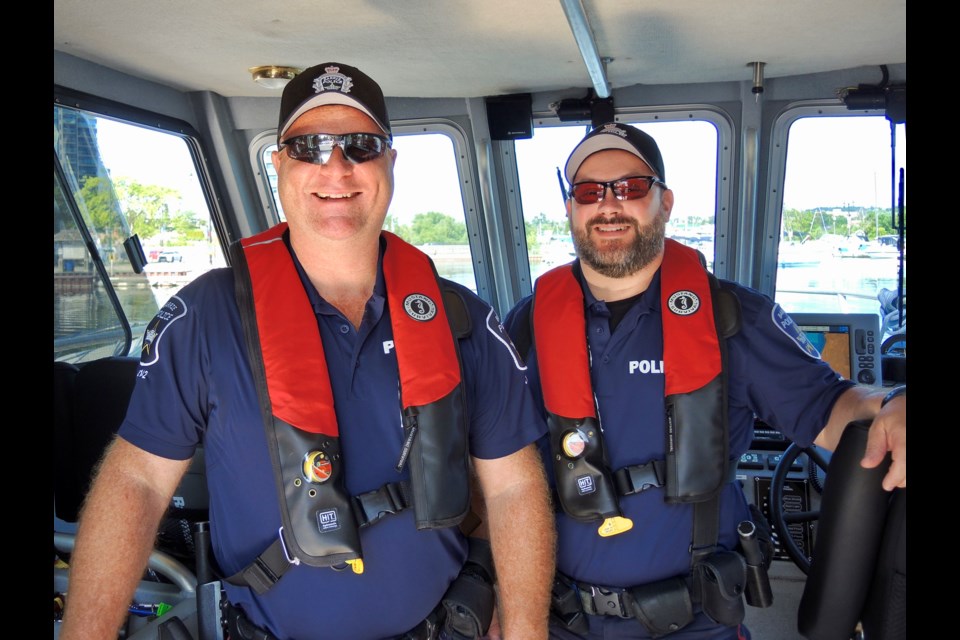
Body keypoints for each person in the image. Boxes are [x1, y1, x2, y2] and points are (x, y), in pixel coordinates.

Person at [60, 62, 555, 640]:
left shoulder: (462, 318)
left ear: (389, 163)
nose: (336, 167)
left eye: (360, 146)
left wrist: (525, 629)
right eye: (309, 147)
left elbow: (514, 487)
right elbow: (138, 481)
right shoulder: (204, 316)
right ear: (278, 165)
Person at [502, 122, 906, 640]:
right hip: (559, 621)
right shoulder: (525, 324)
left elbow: (832, 408)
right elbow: (496, 468)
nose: (608, 205)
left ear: (664, 202)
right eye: (588, 191)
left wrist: (892, 403)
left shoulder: (734, 319)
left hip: (695, 622)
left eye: (630, 187)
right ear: (570, 208)